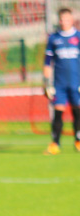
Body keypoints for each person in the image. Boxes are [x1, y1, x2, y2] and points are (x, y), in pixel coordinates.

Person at [44, 7, 80, 155]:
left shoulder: (78, 37)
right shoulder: (54, 38)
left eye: (67, 19)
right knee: (58, 113)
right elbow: (47, 62)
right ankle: (55, 143)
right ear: (59, 20)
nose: (64, 22)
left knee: (77, 112)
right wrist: (46, 82)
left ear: (71, 20)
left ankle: (78, 141)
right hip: (59, 83)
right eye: (62, 19)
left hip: (76, 83)